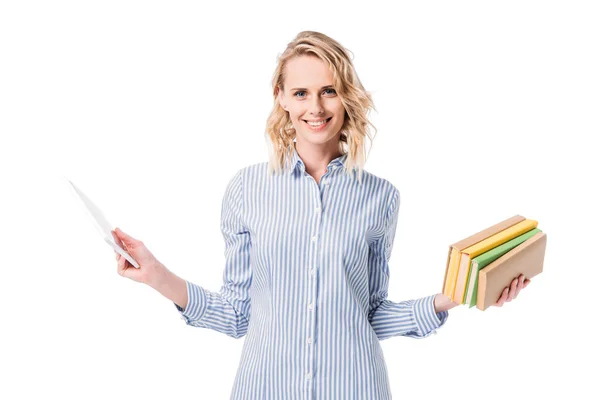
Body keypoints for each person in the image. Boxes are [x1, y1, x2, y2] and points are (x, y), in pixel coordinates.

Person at [110, 31, 530, 399]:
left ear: (346, 97)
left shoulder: (380, 197)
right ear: (282, 98)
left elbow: (370, 315)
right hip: (265, 389)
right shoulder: (247, 189)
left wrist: (463, 291)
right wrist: (154, 274)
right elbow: (238, 314)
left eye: (329, 91)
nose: (315, 106)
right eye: (301, 93)